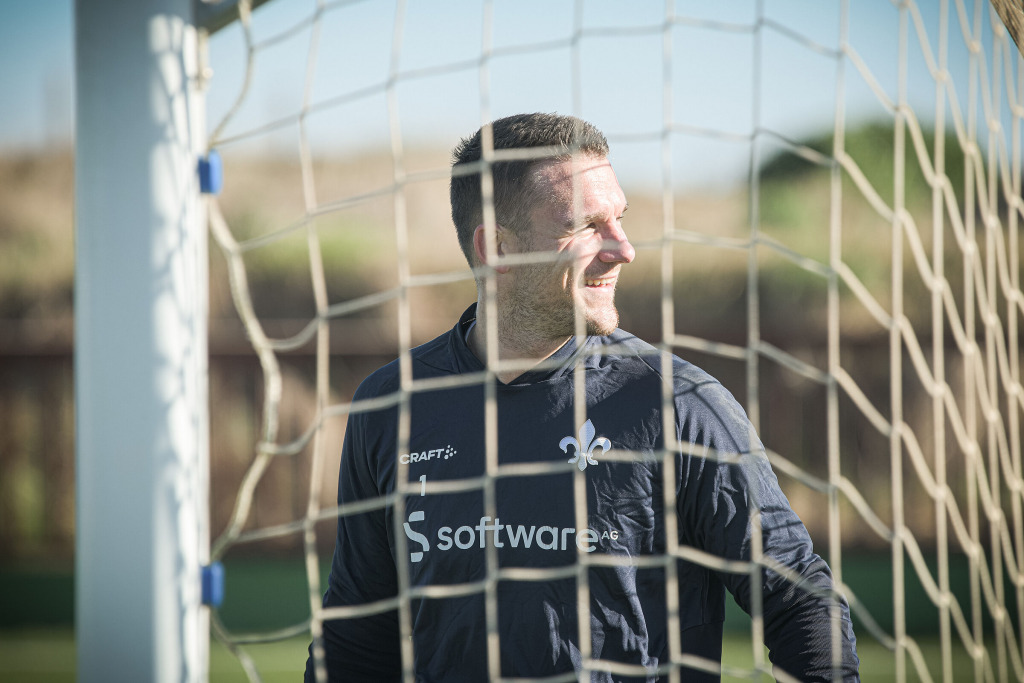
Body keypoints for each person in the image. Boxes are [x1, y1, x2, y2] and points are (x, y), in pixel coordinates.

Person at [304, 112, 859, 682]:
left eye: (619, 218)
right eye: (587, 226)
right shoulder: (392, 405)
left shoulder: (678, 404)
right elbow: (356, 634)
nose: (623, 249)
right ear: (497, 247)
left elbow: (800, 600)